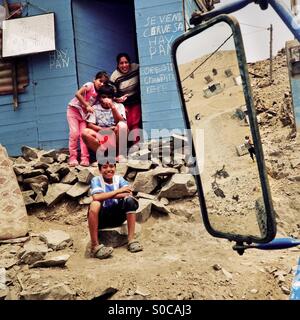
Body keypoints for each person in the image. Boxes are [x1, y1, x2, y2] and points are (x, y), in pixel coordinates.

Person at [88, 161, 143, 259]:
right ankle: (95, 246)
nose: (109, 169)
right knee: (94, 204)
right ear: (100, 170)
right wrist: (118, 191)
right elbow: (96, 197)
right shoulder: (96, 180)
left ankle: (131, 240)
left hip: (117, 217)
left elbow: (128, 193)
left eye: (111, 166)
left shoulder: (119, 179)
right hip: (102, 218)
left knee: (130, 200)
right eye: (104, 167)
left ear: (115, 168)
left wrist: (104, 195)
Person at [67, 71, 109, 167]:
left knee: (83, 135)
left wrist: (117, 99)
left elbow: (106, 98)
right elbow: (77, 94)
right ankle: (72, 158)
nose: (101, 84)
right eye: (100, 81)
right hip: (73, 110)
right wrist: (87, 106)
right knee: (74, 133)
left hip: (83, 116)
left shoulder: (99, 94)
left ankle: (85, 158)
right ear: (94, 79)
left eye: (104, 83)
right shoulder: (89, 85)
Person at [82, 84, 128, 161]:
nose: (106, 99)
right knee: (85, 132)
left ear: (113, 98)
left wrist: (113, 108)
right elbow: (90, 125)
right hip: (102, 136)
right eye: (103, 97)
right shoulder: (95, 108)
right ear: (99, 97)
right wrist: (105, 130)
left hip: (116, 137)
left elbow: (121, 122)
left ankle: (120, 155)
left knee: (122, 125)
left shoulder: (119, 106)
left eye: (109, 97)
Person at [110, 53, 141, 146]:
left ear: (130, 63)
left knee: (135, 123)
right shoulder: (115, 76)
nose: (124, 65)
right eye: (121, 63)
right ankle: (127, 146)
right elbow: (112, 93)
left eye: (126, 62)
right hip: (123, 103)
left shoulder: (135, 67)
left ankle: (137, 145)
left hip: (135, 100)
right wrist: (117, 99)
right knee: (127, 123)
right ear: (118, 65)